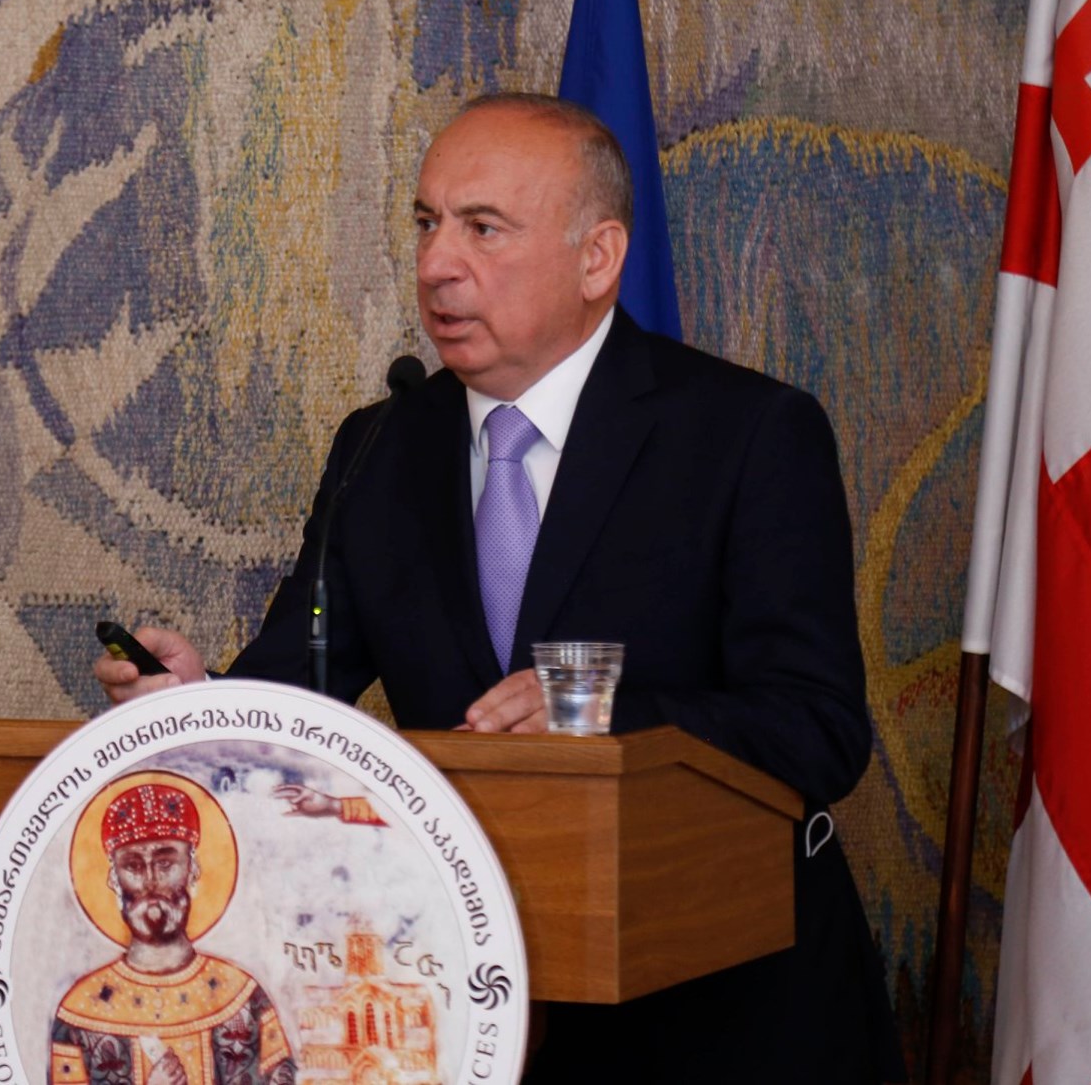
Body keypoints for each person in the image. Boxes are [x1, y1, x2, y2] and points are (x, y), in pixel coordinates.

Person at [92, 93, 905, 1082]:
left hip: (724, 1014)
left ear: (596, 259)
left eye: (482, 228)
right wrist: (197, 704)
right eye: (426, 222)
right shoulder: (380, 449)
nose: (436, 263)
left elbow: (818, 730)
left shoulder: (745, 435)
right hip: (467, 1014)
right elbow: (300, 695)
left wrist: (601, 717)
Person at [52, 781, 296, 1085]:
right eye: (133, 866)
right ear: (114, 879)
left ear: (193, 869)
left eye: (166, 863)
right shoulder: (81, 1010)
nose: (151, 881)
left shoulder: (241, 997)